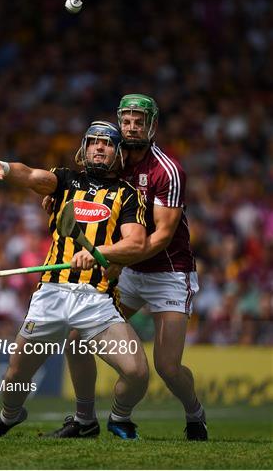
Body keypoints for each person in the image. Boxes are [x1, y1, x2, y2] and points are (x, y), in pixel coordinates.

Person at [47, 95, 207, 441]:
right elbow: (81, 189)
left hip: (169, 273)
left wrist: (112, 257)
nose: (132, 126)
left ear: (152, 126)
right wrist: (55, 198)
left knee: (167, 366)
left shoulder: (167, 170)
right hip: (130, 273)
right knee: (76, 339)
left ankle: (194, 412)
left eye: (139, 121)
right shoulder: (115, 161)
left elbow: (162, 236)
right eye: (127, 120)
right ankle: (84, 419)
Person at [0, 121, 149, 440]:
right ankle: (10, 415)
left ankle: (119, 417)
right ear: (84, 149)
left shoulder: (128, 195)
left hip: (96, 300)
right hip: (52, 295)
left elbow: (137, 244)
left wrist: (99, 251)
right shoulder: (65, 180)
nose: (100, 147)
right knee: (16, 376)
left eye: (108, 143)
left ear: (118, 153)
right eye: (94, 141)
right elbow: (28, 174)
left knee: (137, 373)